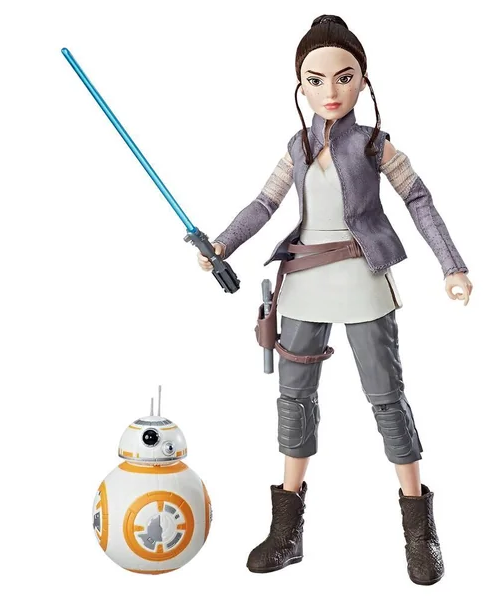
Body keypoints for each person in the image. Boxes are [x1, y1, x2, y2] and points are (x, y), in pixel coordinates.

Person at [197, 14, 472, 585]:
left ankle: (418, 528)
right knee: (294, 400)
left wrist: (452, 265)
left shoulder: (375, 145)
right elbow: (264, 203)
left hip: (362, 280)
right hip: (303, 281)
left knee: (386, 397)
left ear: (363, 81)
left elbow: (418, 199)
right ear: (300, 85)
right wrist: (223, 241)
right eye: (315, 80)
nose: (330, 91)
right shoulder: (296, 148)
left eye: (344, 78)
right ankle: (286, 530)